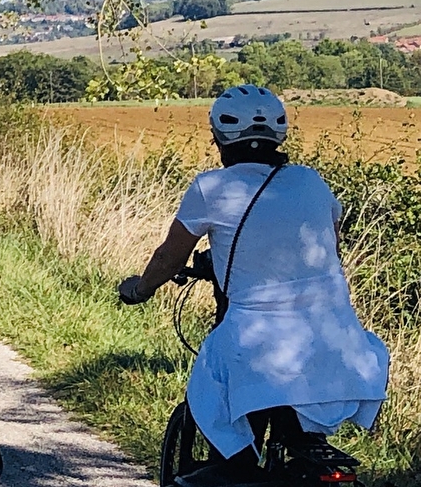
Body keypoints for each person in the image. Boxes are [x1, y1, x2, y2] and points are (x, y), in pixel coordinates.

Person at [119, 85, 389, 475]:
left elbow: (169, 257)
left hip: (255, 333)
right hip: (336, 336)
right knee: (301, 431)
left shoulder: (211, 187)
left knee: (217, 389)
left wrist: (139, 289)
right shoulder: (311, 181)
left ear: (218, 138)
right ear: (279, 134)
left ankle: (236, 461)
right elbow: (330, 243)